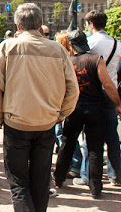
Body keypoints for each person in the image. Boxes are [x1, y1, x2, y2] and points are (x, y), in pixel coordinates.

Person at [0, 3, 79, 212]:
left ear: (18, 26)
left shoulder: (8, 47)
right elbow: (72, 90)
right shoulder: (58, 49)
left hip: (17, 123)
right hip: (46, 124)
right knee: (40, 183)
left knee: (18, 184)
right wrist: (59, 114)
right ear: (40, 24)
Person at [52, 30, 121, 198]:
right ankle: (95, 187)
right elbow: (108, 84)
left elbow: (61, 87)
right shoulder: (96, 60)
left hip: (74, 108)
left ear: (72, 45)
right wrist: (118, 103)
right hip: (95, 109)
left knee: (67, 143)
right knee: (95, 147)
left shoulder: (68, 61)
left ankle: (59, 178)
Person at [85, 10, 121, 186]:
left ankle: (88, 175)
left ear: (91, 23)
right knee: (112, 136)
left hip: (92, 93)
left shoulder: (89, 43)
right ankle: (116, 174)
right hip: (110, 93)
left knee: (90, 137)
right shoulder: (117, 44)